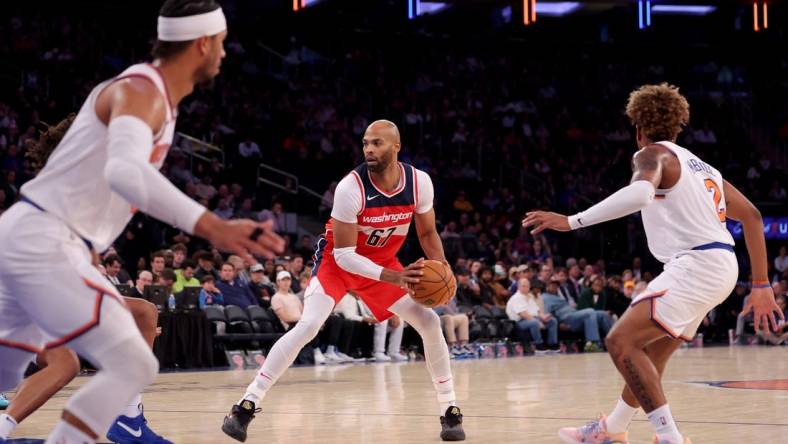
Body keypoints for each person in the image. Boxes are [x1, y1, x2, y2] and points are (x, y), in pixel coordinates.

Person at [0, 2, 284, 443]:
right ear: (204, 43)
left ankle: (115, 425)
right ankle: (125, 426)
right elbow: (124, 172)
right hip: (43, 241)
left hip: (35, 238)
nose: (225, 55)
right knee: (130, 360)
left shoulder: (154, 99)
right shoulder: (142, 89)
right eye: (222, 44)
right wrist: (213, 225)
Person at [524, 83, 783, 444]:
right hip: (720, 265)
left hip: (697, 264)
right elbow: (753, 217)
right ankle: (612, 428)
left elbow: (640, 193)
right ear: (678, 125)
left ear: (638, 128)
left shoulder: (650, 155)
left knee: (620, 342)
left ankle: (670, 438)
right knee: (649, 353)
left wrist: (571, 221)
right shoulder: (701, 167)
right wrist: (761, 284)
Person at [222, 120, 465, 442]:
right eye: (365, 143)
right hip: (338, 264)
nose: (368, 149)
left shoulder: (420, 183)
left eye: (377, 143)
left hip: (382, 265)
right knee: (308, 326)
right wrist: (396, 275)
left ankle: (449, 411)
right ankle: (245, 406)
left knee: (429, 322)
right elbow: (346, 255)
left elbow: (428, 232)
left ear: (396, 146)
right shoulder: (351, 187)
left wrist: (443, 268)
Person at [506, 278, 558, 352]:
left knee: (552, 320)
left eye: (527, 286)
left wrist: (544, 316)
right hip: (518, 322)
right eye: (523, 286)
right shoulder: (516, 298)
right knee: (534, 322)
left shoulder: (529, 297)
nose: (526, 288)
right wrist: (538, 322)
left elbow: (537, 311)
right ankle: (538, 345)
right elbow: (523, 314)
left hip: (531, 318)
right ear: (518, 287)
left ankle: (552, 344)